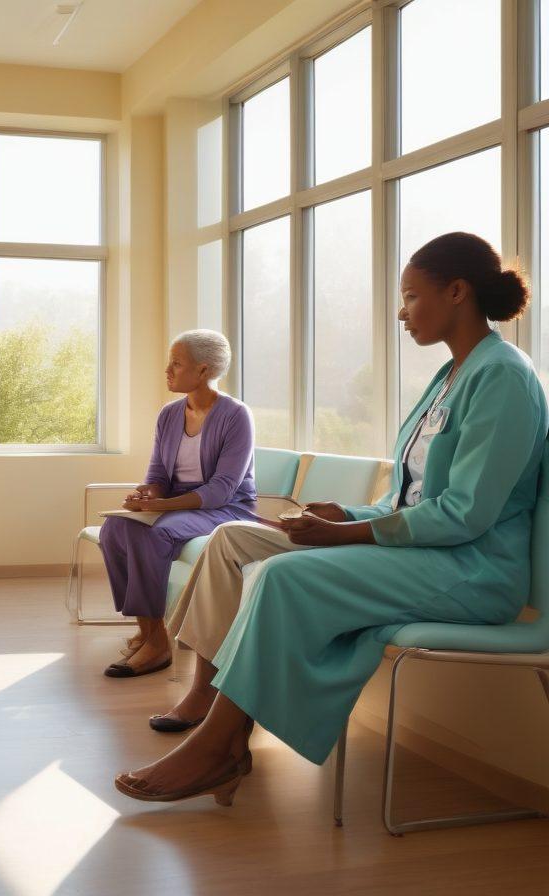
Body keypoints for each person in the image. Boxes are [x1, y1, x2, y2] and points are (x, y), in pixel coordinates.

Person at [115, 232, 548, 806]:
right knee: (233, 540)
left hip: (470, 569)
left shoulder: (503, 377)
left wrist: (345, 533)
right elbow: (408, 498)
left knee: (281, 576)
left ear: (457, 292)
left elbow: (464, 514)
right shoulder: (450, 377)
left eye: (411, 296)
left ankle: (220, 745)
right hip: (424, 550)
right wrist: (345, 512)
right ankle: (208, 696)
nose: (402, 312)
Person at [98, 330, 257, 678]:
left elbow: (222, 490)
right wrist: (148, 495)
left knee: (153, 533)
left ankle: (157, 645)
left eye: (176, 363)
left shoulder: (236, 415)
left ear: (203, 370)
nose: (167, 370)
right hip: (178, 505)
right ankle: (150, 631)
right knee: (114, 528)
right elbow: (157, 474)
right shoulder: (169, 415)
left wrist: (161, 508)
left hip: (224, 508)